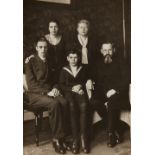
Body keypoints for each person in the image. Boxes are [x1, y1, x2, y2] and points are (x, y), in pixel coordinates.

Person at [25, 37, 70, 154]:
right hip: (34, 95)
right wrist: (46, 93)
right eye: (40, 47)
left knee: (64, 102)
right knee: (54, 103)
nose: (43, 49)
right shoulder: (30, 62)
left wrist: (55, 89)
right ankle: (56, 139)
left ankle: (62, 138)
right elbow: (31, 85)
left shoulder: (50, 61)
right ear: (36, 48)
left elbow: (55, 80)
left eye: (45, 47)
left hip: (50, 91)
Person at [90, 41, 130, 147]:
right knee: (94, 101)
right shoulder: (98, 63)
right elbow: (93, 77)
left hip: (118, 93)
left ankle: (111, 133)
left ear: (113, 50)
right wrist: (89, 80)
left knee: (112, 102)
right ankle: (117, 127)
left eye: (109, 50)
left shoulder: (122, 62)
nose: (107, 52)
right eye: (105, 50)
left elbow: (127, 79)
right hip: (104, 93)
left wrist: (115, 90)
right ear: (101, 51)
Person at [59, 49, 90, 154]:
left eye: (75, 57)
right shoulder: (64, 70)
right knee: (71, 105)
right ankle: (75, 140)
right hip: (69, 93)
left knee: (84, 105)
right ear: (67, 58)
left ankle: (83, 139)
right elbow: (62, 85)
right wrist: (72, 88)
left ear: (79, 58)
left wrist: (80, 86)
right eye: (71, 57)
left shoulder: (82, 68)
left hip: (80, 92)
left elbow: (85, 80)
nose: (73, 60)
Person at [71, 19, 99, 91]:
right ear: (77, 29)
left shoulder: (94, 41)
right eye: (81, 27)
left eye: (85, 27)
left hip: (91, 67)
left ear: (88, 29)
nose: (83, 29)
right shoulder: (72, 41)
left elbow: (96, 57)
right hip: (77, 67)